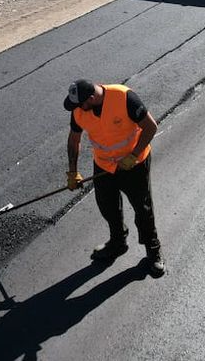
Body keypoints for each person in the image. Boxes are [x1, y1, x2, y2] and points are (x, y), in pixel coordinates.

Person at [64, 79, 164, 277]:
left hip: (134, 165)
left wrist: (134, 155)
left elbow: (150, 127)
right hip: (103, 166)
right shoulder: (78, 111)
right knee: (107, 206)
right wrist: (72, 171)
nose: (77, 109)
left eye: (80, 104)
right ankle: (118, 242)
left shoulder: (123, 97)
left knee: (142, 209)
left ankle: (153, 251)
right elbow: (74, 139)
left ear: (91, 98)